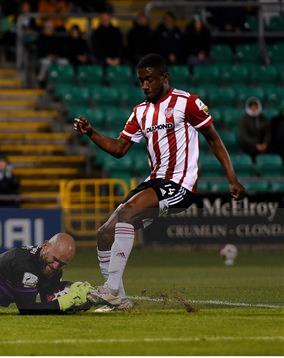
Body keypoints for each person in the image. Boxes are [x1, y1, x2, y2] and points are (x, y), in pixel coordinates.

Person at [73, 53, 245, 311]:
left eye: (150, 80)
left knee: (127, 214)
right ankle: (118, 296)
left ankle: (110, 290)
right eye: (141, 81)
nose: (145, 85)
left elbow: (213, 139)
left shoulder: (187, 102)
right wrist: (91, 133)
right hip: (154, 182)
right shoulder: (140, 112)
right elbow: (119, 149)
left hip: (180, 184)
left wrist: (232, 178)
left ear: (165, 77)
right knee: (104, 233)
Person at [36, 19, 69, 85]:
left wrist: (56, 56)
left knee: (65, 61)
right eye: (47, 27)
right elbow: (39, 51)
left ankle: (63, 80)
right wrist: (47, 55)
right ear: (44, 28)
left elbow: (60, 50)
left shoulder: (56, 38)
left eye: (51, 27)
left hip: (56, 58)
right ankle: (41, 79)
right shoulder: (41, 38)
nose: (49, 29)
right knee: (46, 62)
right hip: (44, 58)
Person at [238, 97, 271, 161]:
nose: (254, 108)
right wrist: (256, 145)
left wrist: (265, 143)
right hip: (249, 146)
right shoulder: (244, 120)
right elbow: (244, 136)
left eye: (255, 107)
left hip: (263, 145)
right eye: (252, 107)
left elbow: (267, 133)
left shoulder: (263, 119)